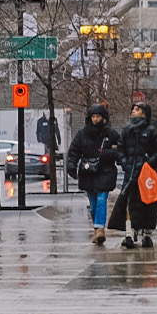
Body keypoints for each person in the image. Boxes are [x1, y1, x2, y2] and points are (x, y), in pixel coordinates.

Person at [109, 101, 157, 249]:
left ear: (144, 113)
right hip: (131, 175)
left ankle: (147, 235)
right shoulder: (127, 131)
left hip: (147, 177)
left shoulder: (152, 131)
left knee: (149, 205)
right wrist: (125, 163)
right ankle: (130, 233)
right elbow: (120, 149)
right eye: (133, 109)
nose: (133, 111)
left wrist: (149, 163)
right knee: (130, 204)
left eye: (137, 109)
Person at [65, 104, 121, 245]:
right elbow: (74, 152)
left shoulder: (110, 134)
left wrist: (108, 154)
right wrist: (71, 166)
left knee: (102, 199)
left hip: (105, 171)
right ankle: (97, 230)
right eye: (93, 116)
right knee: (93, 203)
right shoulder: (82, 134)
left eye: (98, 116)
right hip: (88, 171)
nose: (95, 119)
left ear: (103, 118)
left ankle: (100, 229)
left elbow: (122, 150)